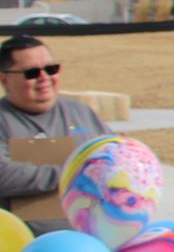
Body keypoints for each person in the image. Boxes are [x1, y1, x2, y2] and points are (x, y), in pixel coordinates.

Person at [0, 32, 108, 230]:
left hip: (89, 244)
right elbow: (4, 175)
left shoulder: (82, 113)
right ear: (4, 79)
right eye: (31, 73)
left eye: (51, 69)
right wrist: (73, 172)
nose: (44, 78)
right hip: (23, 250)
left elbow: (113, 160)